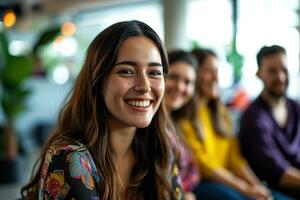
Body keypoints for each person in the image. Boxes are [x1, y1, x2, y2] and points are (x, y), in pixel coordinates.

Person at [21, 20, 182, 200]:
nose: (144, 86)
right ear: (97, 80)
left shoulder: (163, 145)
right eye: (127, 71)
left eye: (154, 73)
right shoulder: (70, 159)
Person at [180, 48, 290, 200]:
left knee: (272, 196)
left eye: (217, 71)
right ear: (194, 74)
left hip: (229, 179)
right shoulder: (184, 119)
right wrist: (245, 189)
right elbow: (206, 167)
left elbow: (235, 158)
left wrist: (256, 185)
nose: (216, 77)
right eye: (208, 71)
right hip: (206, 183)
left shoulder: (221, 113)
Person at [238, 45, 300, 199]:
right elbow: (278, 173)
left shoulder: (296, 107)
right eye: (272, 71)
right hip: (277, 190)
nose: (281, 77)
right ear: (259, 74)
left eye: (284, 69)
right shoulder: (253, 117)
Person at [164, 50, 201, 200]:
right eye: (174, 77)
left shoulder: (176, 122)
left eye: (188, 82)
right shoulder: (148, 124)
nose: (180, 87)